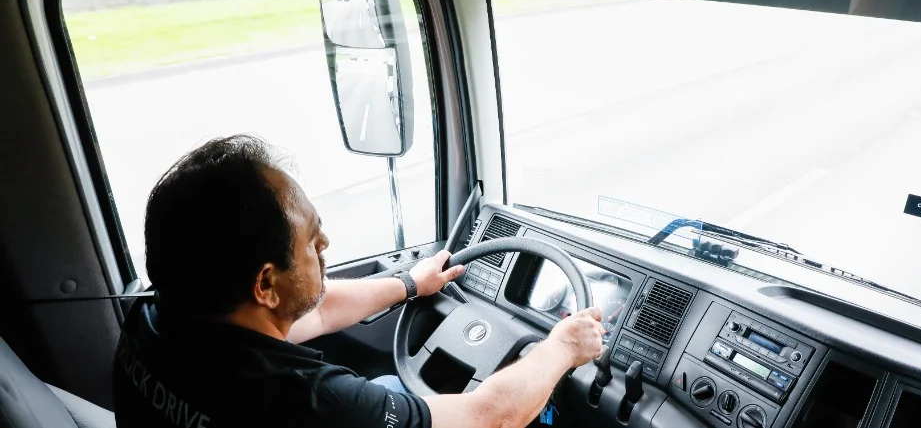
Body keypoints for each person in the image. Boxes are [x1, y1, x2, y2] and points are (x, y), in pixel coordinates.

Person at [112, 134, 605, 428]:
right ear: (265, 284)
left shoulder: (155, 318)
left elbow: (321, 310)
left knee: (393, 385)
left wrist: (410, 284)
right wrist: (562, 347)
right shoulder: (310, 403)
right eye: (311, 238)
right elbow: (488, 417)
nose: (325, 243)